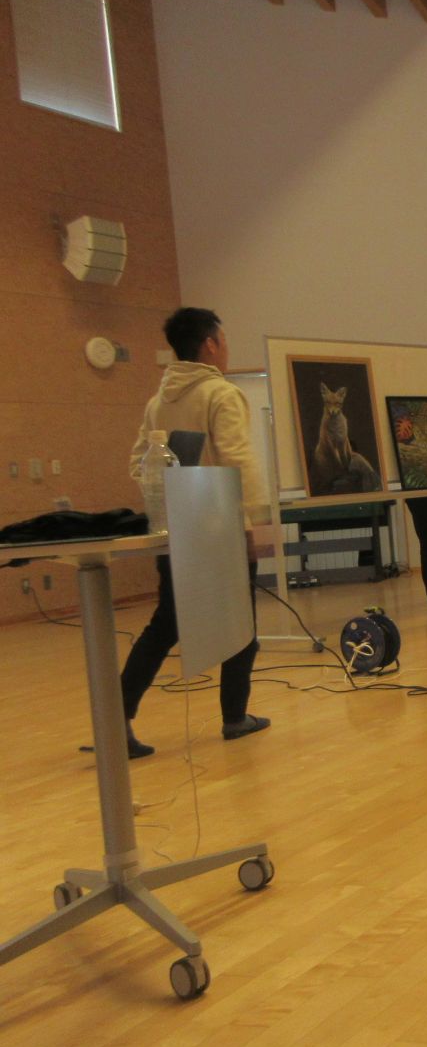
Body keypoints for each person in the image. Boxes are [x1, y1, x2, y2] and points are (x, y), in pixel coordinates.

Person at [120, 308, 271, 758]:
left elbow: (139, 463)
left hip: (177, 529)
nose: (226, 348)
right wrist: (256, 522)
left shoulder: (158, 402)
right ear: (210, 344)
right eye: (224, 340)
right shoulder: (221, 394)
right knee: (241, 626)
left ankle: (116, 720)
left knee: (165, 625)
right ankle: (234, 718)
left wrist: (170, 500)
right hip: (222, 530)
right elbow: (237, 460)